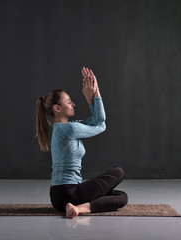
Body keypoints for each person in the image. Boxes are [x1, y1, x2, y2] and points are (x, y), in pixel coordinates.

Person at [36, 67, 127, 218]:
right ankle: (79, 209)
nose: (73, 104)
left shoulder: (66, 128)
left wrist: (92, 96)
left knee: (121, 196)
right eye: (69, 101)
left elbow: (98, 121)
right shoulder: (69, 129)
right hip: (70, 193)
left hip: (58, 197)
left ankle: (76, 208)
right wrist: (95, 93)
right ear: (57, 108)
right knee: (119, 172)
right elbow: (101, 124)